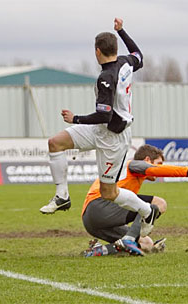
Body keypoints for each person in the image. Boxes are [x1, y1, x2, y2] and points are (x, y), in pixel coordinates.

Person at [39, 18, 158, 236]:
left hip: (113, 137)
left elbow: (104, 114)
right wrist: (122, 31)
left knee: (109, 193)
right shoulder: (125, 62)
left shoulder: (106, 77)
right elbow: (138, 55)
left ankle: (147, 211)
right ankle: (62, 196)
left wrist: (75, 119)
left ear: (97, 51)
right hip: (100, 129)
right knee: (55, 143)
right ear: (115, 48)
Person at [80, 144, 188, 257]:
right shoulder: (133, 165)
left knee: (147, 244)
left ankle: (99, 251)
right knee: (159, 204)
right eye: (159, 164)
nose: (160, 167)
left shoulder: (129, 177)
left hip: (91, 221)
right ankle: (129, 240)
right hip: (100, 207)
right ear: (147, 160)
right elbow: (157, 170)